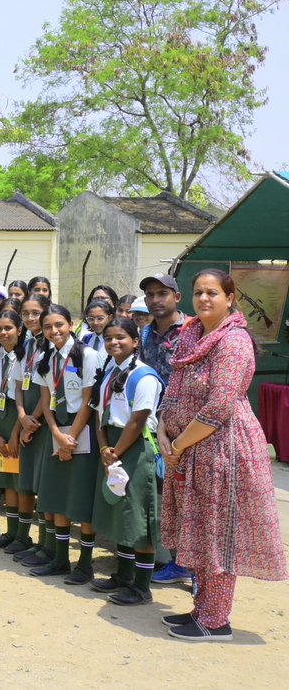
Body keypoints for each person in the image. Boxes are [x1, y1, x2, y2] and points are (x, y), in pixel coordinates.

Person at [157, 269, 287, 641]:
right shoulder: (192, 335)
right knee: (198, 531)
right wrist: (165, 431)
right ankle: (201, 609)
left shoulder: (234, 342)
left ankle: (216, 621)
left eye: (212, 293)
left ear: (230, 298)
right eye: (198, 292)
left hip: (222, 451)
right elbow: (174, 388)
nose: (203, 299)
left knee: (217, 535)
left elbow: (218, 408)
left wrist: (178, 446)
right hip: (188, 449)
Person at [89, 318, 162, 606]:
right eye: (108, 338)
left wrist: (115, 451)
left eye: (121, 337)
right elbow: (99, 414)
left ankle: (142, 587)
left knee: (139, 517)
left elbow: (138, 419)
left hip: (134, 448)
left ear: (135, 341)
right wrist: (104, 446)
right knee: (120, 513)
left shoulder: (144, 376)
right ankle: (124, 575)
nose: (113, 343)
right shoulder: (110, 373)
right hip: (111, 445)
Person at [29, 304, 101, 584]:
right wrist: (57, 434)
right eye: (47, 327)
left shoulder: (88, 355)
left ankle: (84, 564)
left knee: (81, 499)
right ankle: (60, 559)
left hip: (81, 430)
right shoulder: (45, 359)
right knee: (56, 496)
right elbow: (45, 402)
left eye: (59, 324)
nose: (54, 331)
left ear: (70, 324)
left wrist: (72, 436)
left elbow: (88, 401)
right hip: (57, 430)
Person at [139, 273, 191, 585]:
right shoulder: (145, 335)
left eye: (162, 293)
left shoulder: (192, 331)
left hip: (190, 427)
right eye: (150, 295)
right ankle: (176, 562)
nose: (156, 300)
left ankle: (197, 569)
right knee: (167, 496)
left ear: (177, 297)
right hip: (156, 425)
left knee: (192, 499)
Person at [9, 295, 51, 559]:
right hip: (27, 417)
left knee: (44, 484)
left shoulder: (51, 344)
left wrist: (31, 420)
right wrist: (22, 415)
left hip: (44, 420)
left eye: (36, 313)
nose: (30, 318)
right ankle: (23, 536)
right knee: (26, 481)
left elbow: (49, 389)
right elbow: (18, 384)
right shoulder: (25, 345)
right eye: (25, 313)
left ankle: (46, 543)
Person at [0, 310, 25, 547]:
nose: (3, 333)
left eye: (8, 328)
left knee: (19, 481)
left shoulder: (24, 357)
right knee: (8, 479)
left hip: (16, 421)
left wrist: (13, 433)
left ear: (19, 330)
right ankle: (10, 532)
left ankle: (22, 534)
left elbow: (25, 398)